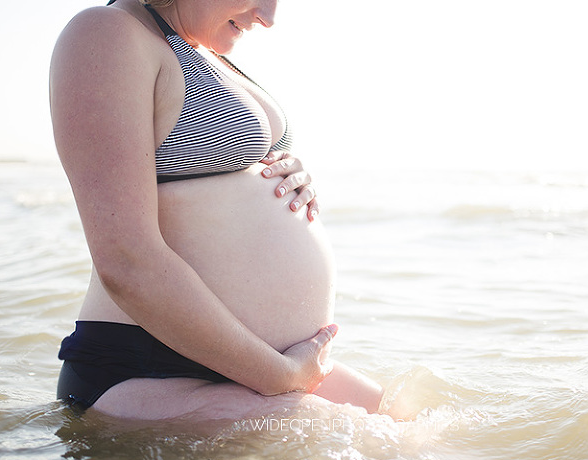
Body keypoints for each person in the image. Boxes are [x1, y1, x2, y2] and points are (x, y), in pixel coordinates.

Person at [50, 0, 386, 421]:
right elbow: (125, 260)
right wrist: (281, 376)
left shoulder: (201, 51)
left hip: (252, 366)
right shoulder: (108, 32)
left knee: (410, 424)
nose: (269, 16)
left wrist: (281, 168)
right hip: (150, 370)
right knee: (364, 443)